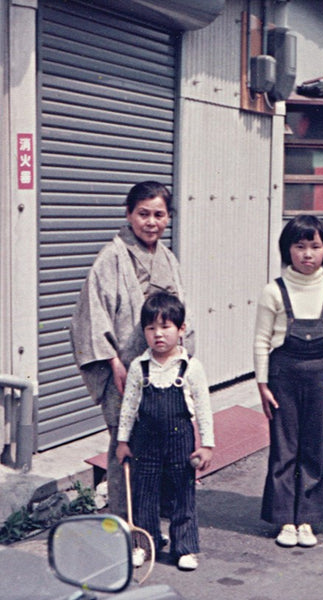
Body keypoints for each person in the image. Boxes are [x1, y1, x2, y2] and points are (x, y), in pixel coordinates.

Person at [70, 181, 194, 518]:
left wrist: (182, 362)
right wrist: (113, 363)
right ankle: (126, 524)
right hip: (123, 370)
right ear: (128, 214)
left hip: (163, 369)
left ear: (168, 218)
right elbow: (92, 316)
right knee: (125, 446)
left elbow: (182, 315)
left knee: (163, 444)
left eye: (159, 214)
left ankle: (153, 520)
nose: (151, 222)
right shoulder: (110, 257)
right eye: (143, 214)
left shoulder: (167, 258)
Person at [253, 215, 323, 548]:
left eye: (315, 246)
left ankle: (308, 518)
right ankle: (284, 520)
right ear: (287, 250)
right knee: (285, 448)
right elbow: (262, 341)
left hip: (321, 376)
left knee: (314, 447)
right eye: (299, 246)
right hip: (283, 375)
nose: (307, 254)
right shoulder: (274, 291)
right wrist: (262, 384)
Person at [116, 292, 214, 571]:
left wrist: (207, 444)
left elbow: (204, 408)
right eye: (151, 328)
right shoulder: (139, 367)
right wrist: (123, 441)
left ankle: (185, 548)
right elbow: (129, 407)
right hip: (144, 442)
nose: (158, 334)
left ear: (181, 329)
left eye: (166, 326)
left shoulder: (191, 367)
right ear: (144, 331)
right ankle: (145, 544)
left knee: (182, 494)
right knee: (144, 493)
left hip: (180, 439)